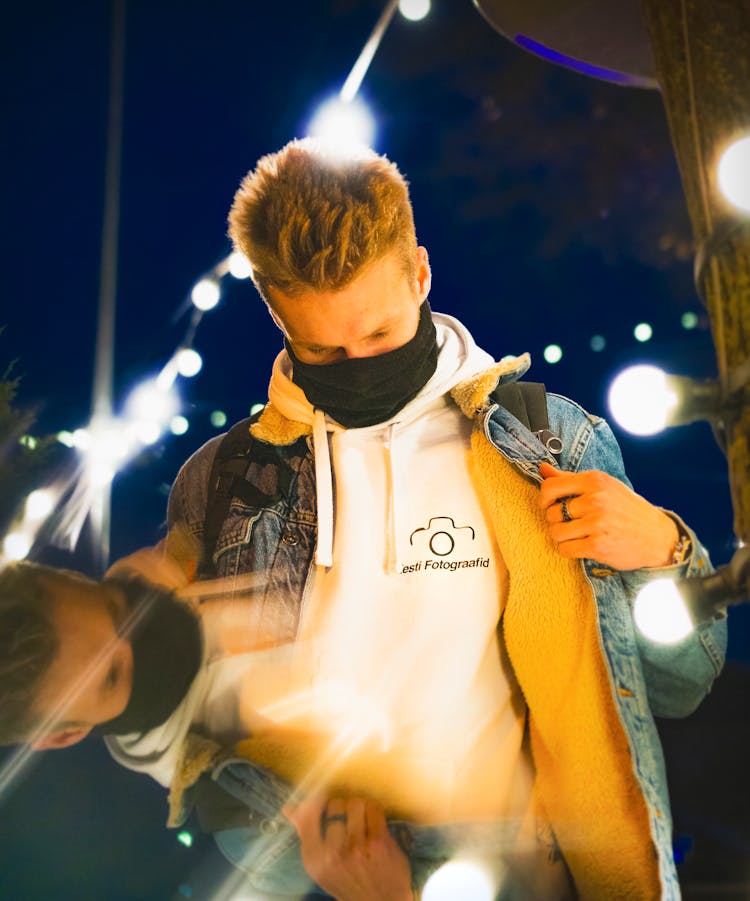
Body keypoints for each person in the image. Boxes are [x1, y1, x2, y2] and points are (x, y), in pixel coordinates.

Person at [0, 137, 727, 901]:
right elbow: (199, 747)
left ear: (420, 272)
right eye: (321, 346)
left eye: (378, 335)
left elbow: (684, 682)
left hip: (547, 873)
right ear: (275, 311)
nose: (357, 362)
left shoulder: (547, 437)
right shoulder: (221, 482)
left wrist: (663, 545)